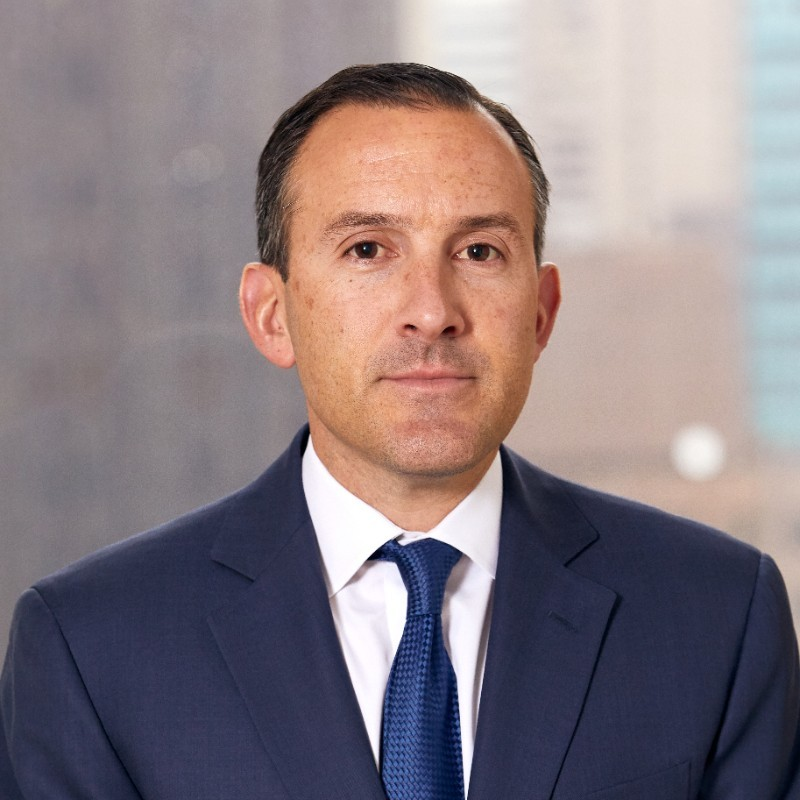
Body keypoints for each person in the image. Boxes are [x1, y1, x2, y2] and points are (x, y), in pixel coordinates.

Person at [1, 63, 798, 800]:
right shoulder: (92, 647)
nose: (432, 310)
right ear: (271, 314)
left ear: (541, 312)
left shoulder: (718, 615)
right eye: (369, 249)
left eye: (479, 250)